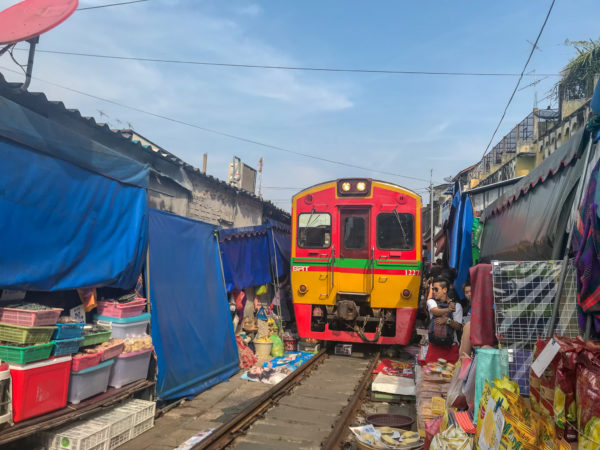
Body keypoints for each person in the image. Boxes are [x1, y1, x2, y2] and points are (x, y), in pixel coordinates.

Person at [425, 277, 463, 364]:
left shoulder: (457, 306)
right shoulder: (431, 302)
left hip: (450, 348)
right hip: (434, 347)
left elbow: (458, 326)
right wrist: (449, 310)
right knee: (430, 376)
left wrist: (447, 321)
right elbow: (435, 311)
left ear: (444, 290)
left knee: (450, 376)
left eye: (436, 289)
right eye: (433, 289)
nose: (433, 292)